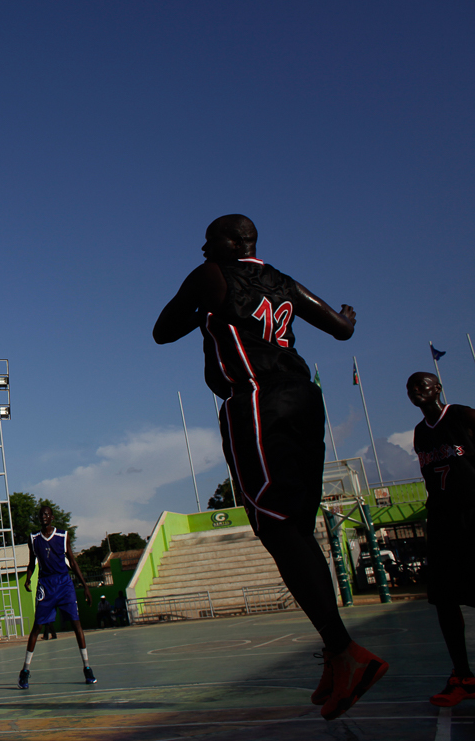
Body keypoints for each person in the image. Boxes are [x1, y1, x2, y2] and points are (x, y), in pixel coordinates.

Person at [153, 214, 386, 720]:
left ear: (232, 243)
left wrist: (200, 310)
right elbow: (341, 329)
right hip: (306, 399)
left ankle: (346, 652)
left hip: (259, 402)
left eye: (209, 239)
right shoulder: (282, 280)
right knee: (298, 528)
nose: (201, 246)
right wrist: (345, 312)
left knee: (276, 527)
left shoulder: (211, 275)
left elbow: (160, 331)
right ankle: (334, 652)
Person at [406, 372, 475, 706]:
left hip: (471, 515)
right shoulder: (420, 434)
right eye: (411, 388)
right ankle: (462, 676)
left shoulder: (463, 416)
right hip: (442, 519)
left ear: (438, 388)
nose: (416, 391)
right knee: (444, 599)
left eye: (422, 385)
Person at [18, 505, 95, 689]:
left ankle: (87, 667)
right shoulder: (34, 538)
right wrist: (28, 579)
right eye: (40, 514)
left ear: (52, 517)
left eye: (46, 514)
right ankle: (25, 670)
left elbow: (73, 561)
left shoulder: (62, 536)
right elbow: (32, 563)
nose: (43, 517)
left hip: (64, 583)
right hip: (45, 584)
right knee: (37, 627)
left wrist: (85, 586)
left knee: (76, 624)